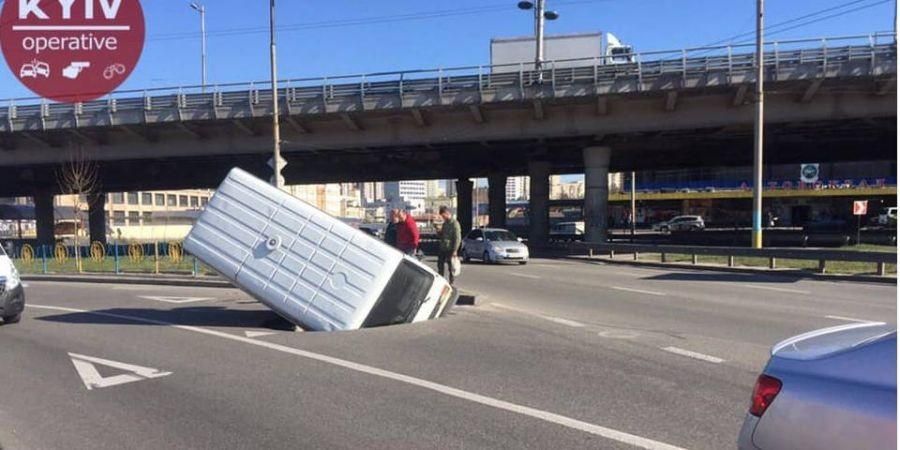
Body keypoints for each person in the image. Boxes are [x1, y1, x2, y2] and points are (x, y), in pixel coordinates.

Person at [436, 206, 461, 285]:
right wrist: (438, 231)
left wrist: (455, 250)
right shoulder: (445, 223)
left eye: (443, 216)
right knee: (440, 264)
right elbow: (442, 235)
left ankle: (451, 282)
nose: (443, 218)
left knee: (451, 267)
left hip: (450, 248)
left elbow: (457, 238)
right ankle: (441, 280)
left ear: (447, 213)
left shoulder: (455, 224)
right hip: (443, 247)